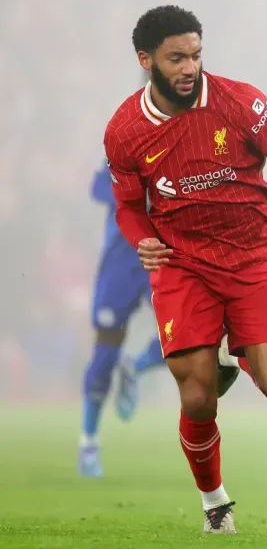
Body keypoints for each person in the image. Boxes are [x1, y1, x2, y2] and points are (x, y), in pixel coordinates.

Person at [104, 5, 267, 534]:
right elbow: (127, 205)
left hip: (250, 259)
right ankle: (215, 503)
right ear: (147, 61)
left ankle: (231, 355)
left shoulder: (240, 102)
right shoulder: (125, 130)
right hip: (181, 263)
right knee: (196, 395)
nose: (189, 67)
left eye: (195, 54)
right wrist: (142, 238)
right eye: (176, 58)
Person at [78, 157, 167, 479]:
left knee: (186, 336)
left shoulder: (187, 135)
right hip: (122, 258)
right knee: (105, 352)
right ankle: (88, 443)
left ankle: (136, 366)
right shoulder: (125, 140)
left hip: (164, 256)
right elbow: (99, 188)